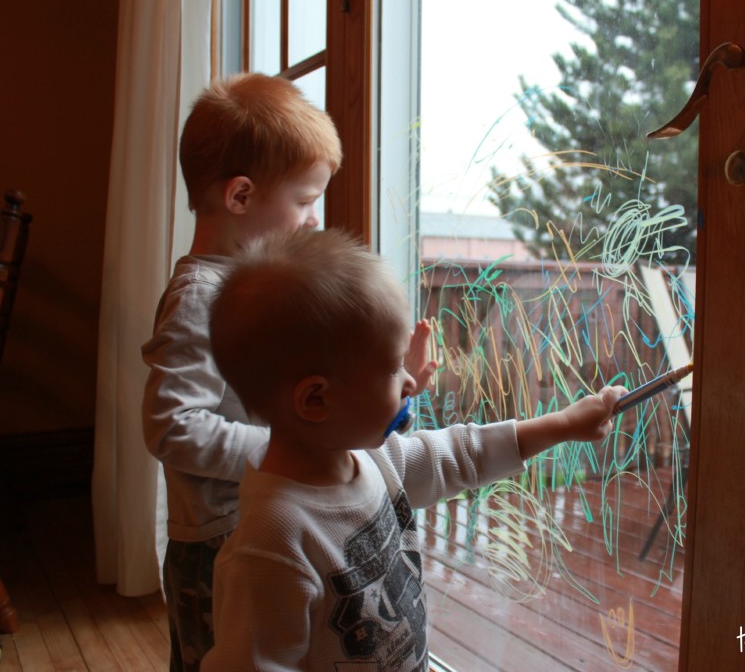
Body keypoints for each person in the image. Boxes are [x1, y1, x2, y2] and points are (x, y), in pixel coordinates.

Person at [201, 228, 627, 671]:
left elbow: (462, 455)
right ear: (316, 400)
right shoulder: (272, 544)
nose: (410, 382)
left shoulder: (370, 457)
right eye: (392, 369)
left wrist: (562, 425)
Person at [140, 73, 436, 672]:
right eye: (303, 201)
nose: (312, 218)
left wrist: (379, 383)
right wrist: (281, 448)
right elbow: (172, 426)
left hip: (268, 511)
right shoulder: (202, 296)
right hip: (222, 534)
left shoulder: (263, 290)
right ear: (242, 196)